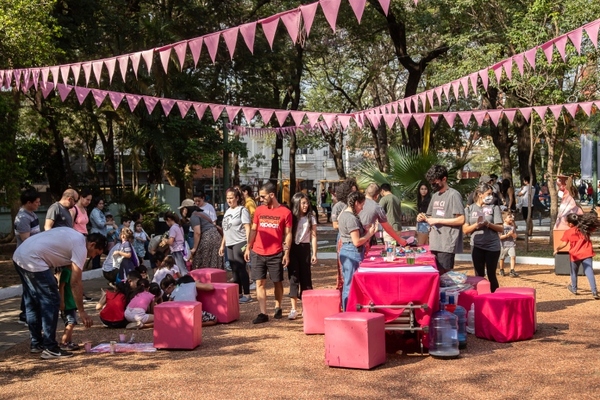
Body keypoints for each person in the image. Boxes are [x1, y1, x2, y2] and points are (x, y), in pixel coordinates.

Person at [13, 229, 105, 359]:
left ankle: (36, 343)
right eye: (96, 253)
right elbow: (75, 283)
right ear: (92, 244)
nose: (93, 257)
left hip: (20, 255)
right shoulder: (81, 247)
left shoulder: (75, 235)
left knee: (32, 300)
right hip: (33, 260)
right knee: (51, 300)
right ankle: (50, 347)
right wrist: (82, 312)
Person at [244, 182, 292, 324]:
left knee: (277, 281)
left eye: (263, 196)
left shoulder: (285, 212)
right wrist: (248, 247)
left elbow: (288, 234)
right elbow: (253, 229)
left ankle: (278, 306)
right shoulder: (259, 210)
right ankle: (263, 313)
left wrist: (286, 253)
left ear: (272, 195)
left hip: (276, 252)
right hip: (257, 252)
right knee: (260, 282)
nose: (261, 199)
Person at [417, 165, 465, 274]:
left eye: (435, 183)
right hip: (434, 243)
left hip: (446, 244)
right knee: (436, 276)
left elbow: (461, 220)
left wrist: (437, 220)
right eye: (431, 183)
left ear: (444, 179)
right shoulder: (435, 196)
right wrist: (422, 217)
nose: (432, 185)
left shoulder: (454, 195)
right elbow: (429, 216)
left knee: (445, 277)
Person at [338, 191, 377, 311]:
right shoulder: (351, 218)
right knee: (350, 285)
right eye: (362, 204)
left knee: (349, 284)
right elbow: (357, 241)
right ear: (356, 203)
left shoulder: (344, 214)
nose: (362, 207)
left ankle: (348, 310)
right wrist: (369, 234)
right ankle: (349, 311)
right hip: (352, 252)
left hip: (348, 251)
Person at [463, 182, 504, 292]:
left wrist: (488, 224)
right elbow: (465, 230)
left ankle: (495, 298)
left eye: (491, 194)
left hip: (492, 246)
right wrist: (476, 225)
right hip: (476, 246)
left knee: (491, 274)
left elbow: (501, 228)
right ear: (480, 194)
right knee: (479, 275)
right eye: (488, 194)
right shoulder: (469, 209)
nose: (491, 196)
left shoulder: (494, 208)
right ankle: (480, 299)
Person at [554, 213, 600, 299]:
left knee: (573, 273)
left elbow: (564, 243)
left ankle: (574, 289)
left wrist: (557, 249)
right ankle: (594, 292)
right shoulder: (585, 229)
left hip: (575, 255)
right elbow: (594, 227)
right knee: (589, 273)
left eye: (567, 222)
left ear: (571, 224)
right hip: (587, 254)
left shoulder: (568, 232)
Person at [219, 188, 252, 303]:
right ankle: (238, 293)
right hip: (230, 243)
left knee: (241, 267)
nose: (229, 200)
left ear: (237, 198)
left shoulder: (242, 210)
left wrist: (248, 245)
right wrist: (222, 245)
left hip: (240, 241)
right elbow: (226, 229)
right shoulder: (227, 211)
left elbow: (248, 228)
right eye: (227, 198)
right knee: (234, 269)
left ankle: (247, 294)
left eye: (231, 198)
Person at [287, 192, 317, 320]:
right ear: (297, 203)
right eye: (303, 203)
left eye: (307, 203)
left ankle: (306, 307)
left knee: (306, 277)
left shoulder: (311, 217)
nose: (306, 205)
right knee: (293, 277)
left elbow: (314, 236)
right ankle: (294, 308)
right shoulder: (292, 217)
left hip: (305, 248)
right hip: (293, 247)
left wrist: (314, 252)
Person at [14, 188, 41, 324]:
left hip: (33, 255)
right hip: (25, 257)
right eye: (36, 202)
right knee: (29, 286)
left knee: (31, 286)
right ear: (29, 202)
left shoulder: (32, 214)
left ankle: (28, 312)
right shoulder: (23, 218)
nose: (39, 204)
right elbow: (26, 239)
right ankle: (25, 314)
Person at [359, 183, 409, 248]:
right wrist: (400, 240)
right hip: (397, 227)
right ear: (377, 196)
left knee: (390, 249)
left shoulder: (356, 202)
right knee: (393, 251)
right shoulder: (396, 199)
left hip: (354, 236)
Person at [190, 202, 223, 270]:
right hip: (216, 236)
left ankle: (203, 279)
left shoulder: (194, 216)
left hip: (207, 237)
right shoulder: (202, 214)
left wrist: (194, 248)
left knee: (202, 261)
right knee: (215, 260)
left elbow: (197, 232)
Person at [58, 267, 80, 351]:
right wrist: (62, 301)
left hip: (72, 303)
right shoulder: (66, 272)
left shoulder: (72, 272)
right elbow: (61, 286)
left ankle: (69, 341)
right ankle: (63, 343)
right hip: (67, 303)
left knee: (72, 323)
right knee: (70, 323)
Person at [163, 211, 188, 275]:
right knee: (181, 268)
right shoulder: (179, 226)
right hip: (181, 249)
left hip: (177, 250)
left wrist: (165, 240)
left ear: (168, 219)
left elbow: (171, 241)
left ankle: (186, 282)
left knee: (181, 269)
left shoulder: (173, 228)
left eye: (166, 221)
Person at [89, 197, 108, 269]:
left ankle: (97, 265)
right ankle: (95, 266)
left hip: (101, 234)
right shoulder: (95, 212)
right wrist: (107, 223)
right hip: (96, 234)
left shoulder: (100, 212)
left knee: (99, 251)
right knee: (96, 251)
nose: (101, 205)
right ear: (96, 204)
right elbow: (99, 223)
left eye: (102, 204)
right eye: (100, 204)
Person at [498, 211, 518, 278]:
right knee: (502, 258)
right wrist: (507, 235)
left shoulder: (512, 227)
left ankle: (512, 270)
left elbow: (515, 236)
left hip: (511, 245)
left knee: (513, 256)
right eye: (509, 217)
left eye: (511, 217)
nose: (511, 218)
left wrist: (512, 234)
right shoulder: (501, 227)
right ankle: (501, 269)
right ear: (504, 219)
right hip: (503, 245)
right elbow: (500, 237)